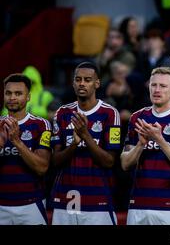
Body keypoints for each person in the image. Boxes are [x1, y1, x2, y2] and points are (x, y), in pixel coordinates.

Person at [120, 67, 170, 225]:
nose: (156, 90)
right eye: (153, 85)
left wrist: (160, 141)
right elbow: (125, 164)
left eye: (163, 86)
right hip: (138, 206)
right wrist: (141, 145)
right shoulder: (137, 117)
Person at [50, 62, 121, 225]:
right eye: (78, 79)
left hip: (98, 201)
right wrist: (74, 145)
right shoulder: (62, 113)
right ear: (73, 83)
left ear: (97, 83)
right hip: (65, 199)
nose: (82, 83)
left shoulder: (110, 113)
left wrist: (85, 136)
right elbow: (55, 161)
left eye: (87, 80)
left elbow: (109, 161)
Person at [0, 74, 51, 224]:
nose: (12, 97)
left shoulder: (41, 125)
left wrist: (17, 141)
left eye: (18, 93)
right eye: (8, 93)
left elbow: (42, 167)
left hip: (31, 204)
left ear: (28, 97)